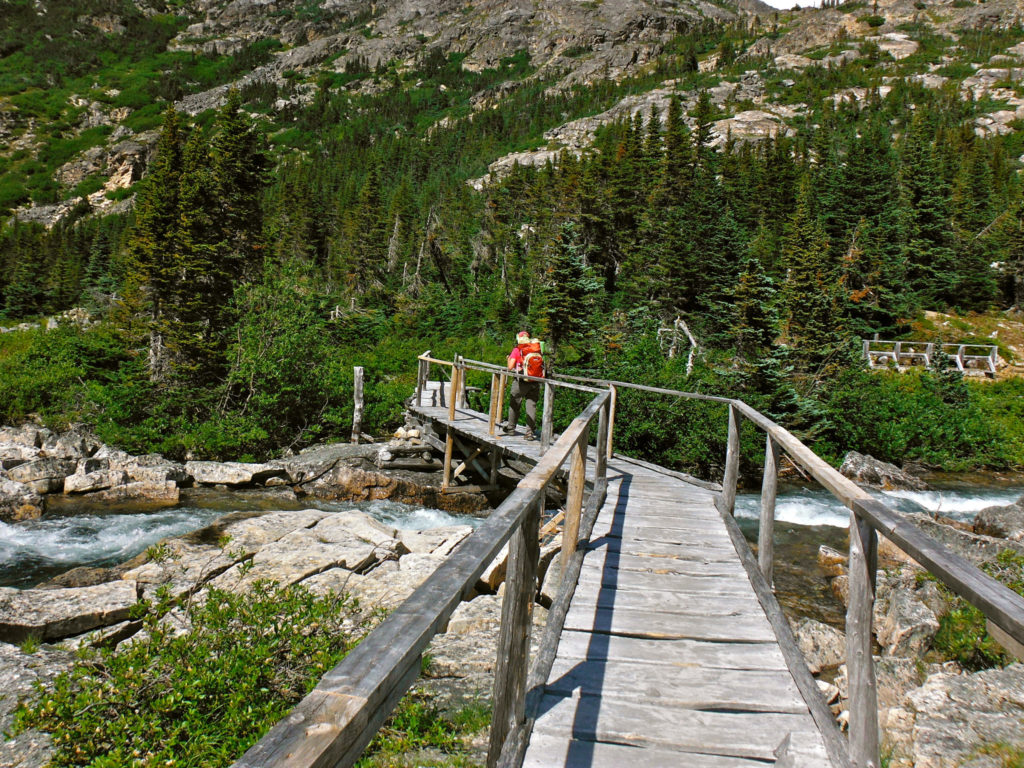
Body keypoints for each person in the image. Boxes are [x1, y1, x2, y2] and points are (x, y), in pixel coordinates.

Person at [504, 331, 544, 439]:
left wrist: (508, 358)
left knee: (515, 404)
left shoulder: (517, 350)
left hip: (521, 381)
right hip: (535, 381)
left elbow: (510, 367)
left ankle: (511, 428)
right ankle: (529, 433)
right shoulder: (537, 349)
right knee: (531, 406)